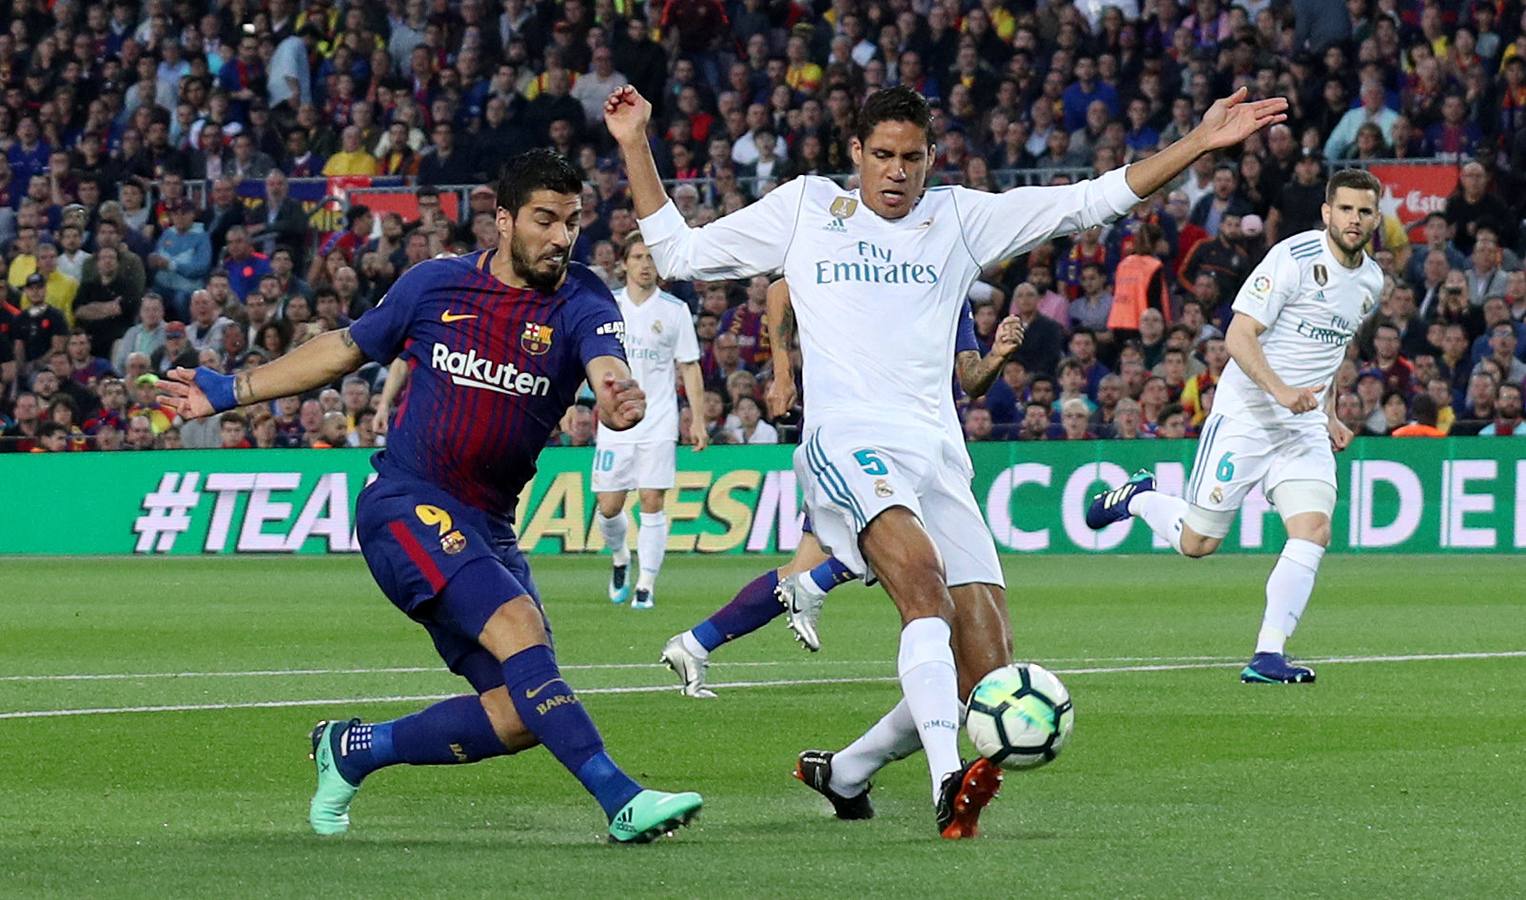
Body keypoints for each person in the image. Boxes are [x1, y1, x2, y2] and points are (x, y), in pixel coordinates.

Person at [609, 81, 1284, 836]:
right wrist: (636, 142)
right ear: (856, 155)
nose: (896, 173)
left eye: (912, 158)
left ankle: (848, 771)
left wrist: (1196, 142)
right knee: (921, 589)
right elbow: (678, 252)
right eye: (883, 157)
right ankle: (945, 776)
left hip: (936, 456)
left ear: (932, 159)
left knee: (985, 669)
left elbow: (1091, 200)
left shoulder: (959, 218)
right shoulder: (803, 208)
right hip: (847, 443)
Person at [155, 149, 700, 844]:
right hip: (405, 504)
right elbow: (345, 349)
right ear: (503, 220)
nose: (561, 237)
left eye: (571, 221)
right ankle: (622, 800)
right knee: (518, 628)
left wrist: (616, 391)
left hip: (489, 528)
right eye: (545, 219)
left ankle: (353, 749)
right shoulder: (435, 286)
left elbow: (603, 357)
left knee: (519, 712)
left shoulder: (584, 297)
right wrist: (232, 389)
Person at [1086, 168, 1385, 685]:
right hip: (1247, 415)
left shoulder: (1371, 282)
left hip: (1304, 425)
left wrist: (1330, 412)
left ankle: (1268, 655)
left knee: (1313, 528)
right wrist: (1280, 391)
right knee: (1197, 544)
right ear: (1326, 213)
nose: (1354, 220)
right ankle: (1136, 498)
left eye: (1364, 211)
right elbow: (1238, 336)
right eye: (1346, 209)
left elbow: (1331, 351)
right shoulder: (1292, 260)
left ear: (1376, 218)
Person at [661, 286, 1023, 695]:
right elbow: (782, 290)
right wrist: (783, 373)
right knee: (892, 543)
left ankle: (694, 644)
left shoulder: (946, 286)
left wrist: (997, 355)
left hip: (917, 449)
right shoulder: (866, 264)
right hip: (851, 439)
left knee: (807, 566)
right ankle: (817, 586)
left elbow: (970, 380)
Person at [591, 236, 708, 610]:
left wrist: (699, 419)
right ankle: (621, 557)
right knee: (609, 507)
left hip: (658, 419)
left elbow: (689, 366)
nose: (645, 265)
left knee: (651, 499)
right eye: (638, 257)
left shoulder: (674, 311)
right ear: (624, 264)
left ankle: (646, 585)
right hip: (614, 422)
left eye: (651, 258)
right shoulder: (606, 306)